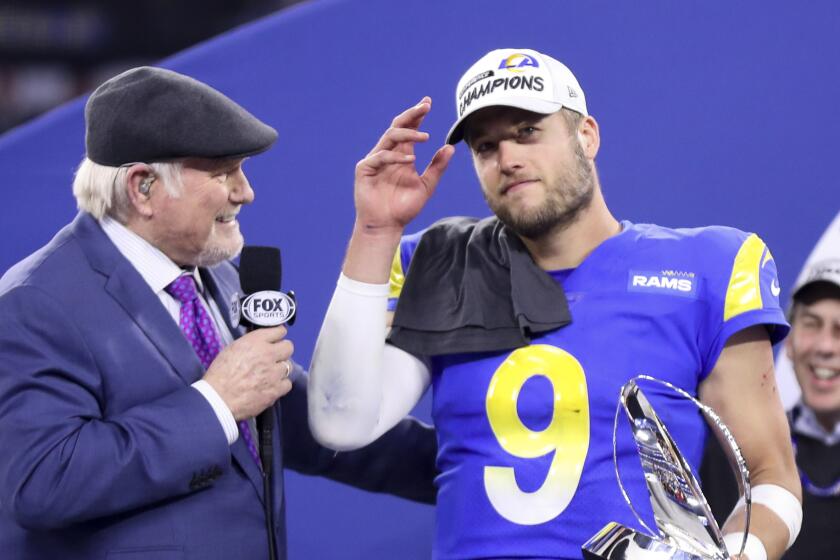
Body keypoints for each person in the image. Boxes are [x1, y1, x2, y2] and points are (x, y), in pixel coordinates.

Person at [307, 48, 802, 560]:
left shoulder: (708, 267)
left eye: (527, 132)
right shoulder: (442, 264)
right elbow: (340, 423)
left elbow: (773, 477)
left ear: (586, 135)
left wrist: (741, 557)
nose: (509, 159)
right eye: (486, 146)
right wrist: (376, 230)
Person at [0, 66, 437, 560]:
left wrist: (472, 470)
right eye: (223, 171)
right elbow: (42, 481)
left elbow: (297, 419)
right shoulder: (33, 304)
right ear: (143, 188)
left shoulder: (216, 275)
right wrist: (215, 403)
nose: (245, 191)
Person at [703, 258, 840, 558]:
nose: (825, 347)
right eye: (811, 325)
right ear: (788, 344)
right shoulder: (726, 448)